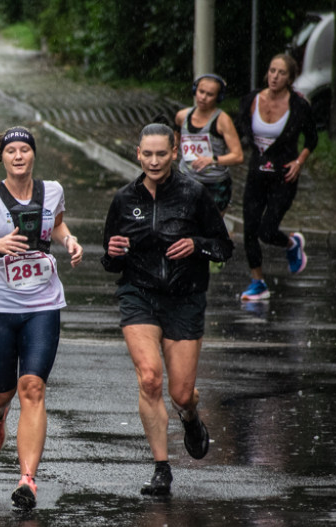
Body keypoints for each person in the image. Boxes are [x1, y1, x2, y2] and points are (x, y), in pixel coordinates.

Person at [0, 126, 84, 510]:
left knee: (33, 388)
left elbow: (57, 223)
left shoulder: (53, 191)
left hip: (43, 304)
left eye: (23, 150)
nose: (17, 156)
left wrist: (69, 240)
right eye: (10, 150)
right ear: (4, 157)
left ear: (32, 156)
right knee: (2, 393)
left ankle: (27, 479)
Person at [101, 123, 233, 496]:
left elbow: (223, 247)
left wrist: (195, 244)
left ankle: (190, 418)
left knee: (181, 393)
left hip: (185, 297)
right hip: (139, 294)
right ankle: (161, 468)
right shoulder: (124, 199)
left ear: (174, 153)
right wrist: (113, 254)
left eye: (162, 154)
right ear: (138, 155)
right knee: (149, 378)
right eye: (148, 154)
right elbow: (109, 261)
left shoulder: (194, 195)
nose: (155, 161)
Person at [235, 53, 318, 301]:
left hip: (284, 175)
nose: (275, 77)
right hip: (257, 173)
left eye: (281, 73)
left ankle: (291, 244)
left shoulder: (299, 105)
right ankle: (258, 282)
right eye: (272, 71)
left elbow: (312, 139)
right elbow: (240, 130)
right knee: (249, 229)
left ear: (290, 78)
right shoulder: (251, 99)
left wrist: (299, 161)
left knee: (267, 230)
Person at [173, 73, 244, 216]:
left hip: (215, 184)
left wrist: (212, 160)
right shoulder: (182, 116)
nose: (203, 97)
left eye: (210, 94)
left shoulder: (222, 120)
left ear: (218, 97)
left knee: (211, 231)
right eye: (201, 92)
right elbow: (175, 142)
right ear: (195, 91)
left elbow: (238, 156)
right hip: (187, 179)